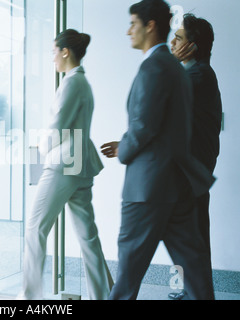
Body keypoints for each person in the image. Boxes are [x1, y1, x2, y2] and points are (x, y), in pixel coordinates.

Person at [100, 0, 215, 300]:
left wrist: (124, 151)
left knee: (126, 279)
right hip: (175, 186)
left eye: (133, 24)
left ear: (149, 26)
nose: (128, 31)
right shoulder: (177, 69)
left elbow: (144, 127)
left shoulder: (158, 67)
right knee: (195, 270)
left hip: (148, 189)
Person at [18, 29, 113, 300]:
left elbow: (58, 126)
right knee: (88, 238)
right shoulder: (82, 83)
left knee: (35, 228)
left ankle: (29, 297)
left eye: (53, 52)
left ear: (65, 51)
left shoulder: (72, 83)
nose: (52, 59)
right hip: (80, 166)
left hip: (63, 165)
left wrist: (40, 148)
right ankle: (104, 296)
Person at [167, 13, 222, 300]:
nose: (172, 42)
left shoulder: (198, 75)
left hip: (192, 176)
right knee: (190, 238)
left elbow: (163, 97)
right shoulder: (196, 74)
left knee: (195, 238)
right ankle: (191, 291)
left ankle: (199, 294)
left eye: (179, 38)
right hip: (190, 174)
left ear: (193, 46)